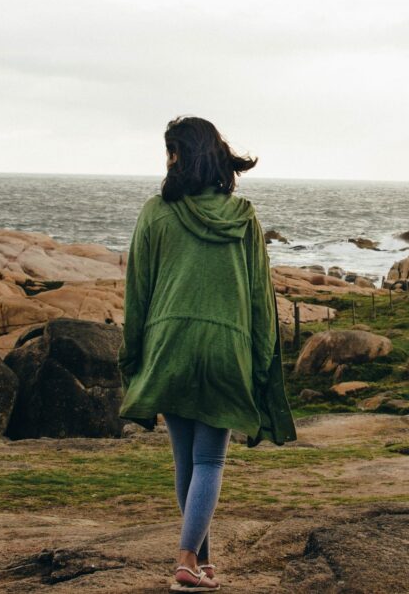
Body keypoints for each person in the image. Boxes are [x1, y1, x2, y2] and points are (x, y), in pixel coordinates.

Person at [117, 117, 297, 592]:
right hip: (225, 349)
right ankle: (189, 561)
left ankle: (194, 560)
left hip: (168, 347)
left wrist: (131, 356)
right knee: (209, 462)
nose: (167, 160)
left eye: (171, 151)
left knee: (186, 462)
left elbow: (137, 292)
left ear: (183, 156)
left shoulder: (155, 213)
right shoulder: (244, 217)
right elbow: (262, 298)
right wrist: (260, 362)